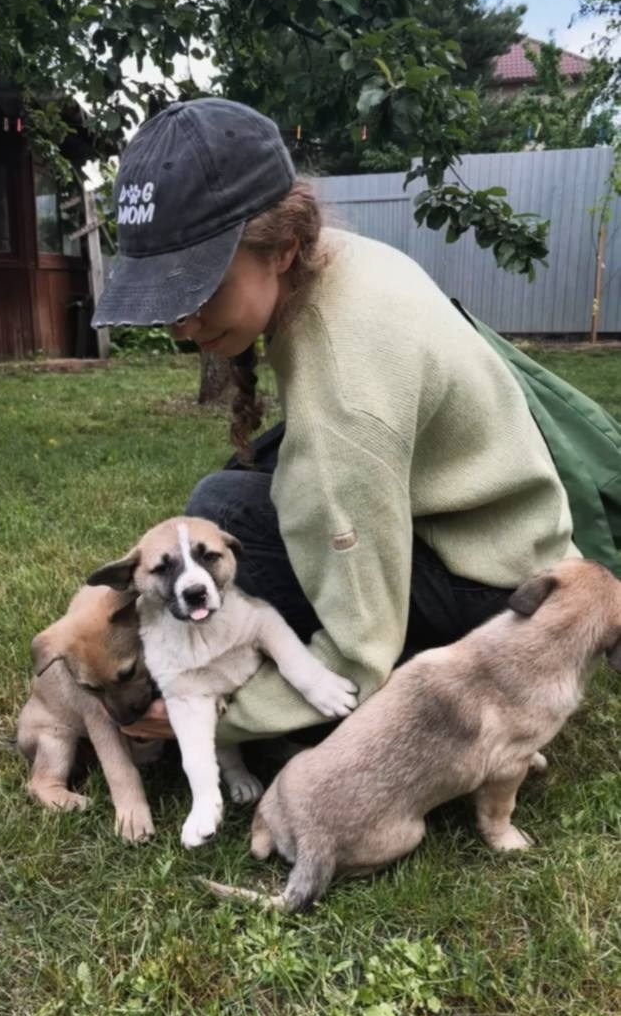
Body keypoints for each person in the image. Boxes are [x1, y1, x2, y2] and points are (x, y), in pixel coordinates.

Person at [91, 97, 578, 746]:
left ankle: (437, 712)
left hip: (507, 607)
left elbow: (361, 649)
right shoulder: (333, 262)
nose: (181, 325)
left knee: (228, 515)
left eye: (198, 288)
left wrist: (221, 716)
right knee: (234, 498)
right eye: (165, 295)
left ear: (282, 247)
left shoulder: (344, 384)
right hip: (512, 563)